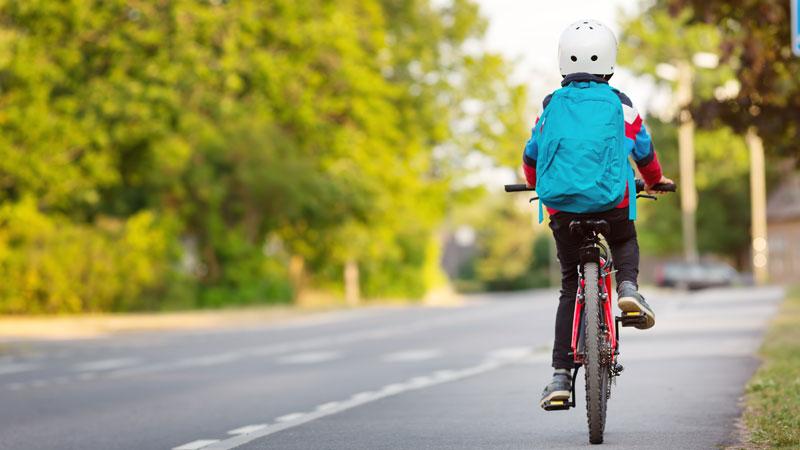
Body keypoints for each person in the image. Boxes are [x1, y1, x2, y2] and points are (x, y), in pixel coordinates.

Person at [521, 19, 674, 409]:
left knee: (570, 284)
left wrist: (535, 184)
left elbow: (531, 155)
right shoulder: (620, 104)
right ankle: (628, 290)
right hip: (611, 202)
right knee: (624, 238)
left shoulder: (551, 106)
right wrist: (653, 180)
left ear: (563, 62)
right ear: (610, 60)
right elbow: (643, 149)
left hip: (561, 209)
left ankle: (559, 376)